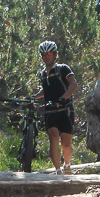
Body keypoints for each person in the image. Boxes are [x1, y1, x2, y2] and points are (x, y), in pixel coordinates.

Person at [33, 40, 77, 175]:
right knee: (53, 138)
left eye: (48, 54)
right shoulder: (42, 74)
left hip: (65, 110)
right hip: (50, 110)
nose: (46, 57)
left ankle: (67, 165)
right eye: (43, 54)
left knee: (66, 144)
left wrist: (62, 98)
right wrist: (33, 98)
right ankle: (58, 171)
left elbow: (73, 85)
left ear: (55, 54)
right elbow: (46, 90)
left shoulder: (63, 69)